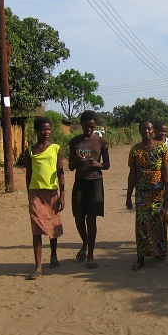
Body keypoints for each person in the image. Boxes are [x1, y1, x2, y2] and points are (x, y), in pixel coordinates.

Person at [126, 120, 168, 270]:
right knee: (141, 224)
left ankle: (160, 251)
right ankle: (140, 257)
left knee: (159, 221)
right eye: (144, 129)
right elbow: (132, 174)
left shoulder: (162, 148)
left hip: (159, 193)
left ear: (153, 131)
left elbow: (165, 172)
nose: (146, 131)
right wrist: (128, 196)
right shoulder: (135, 150)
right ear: (139, 130)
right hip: (142, 193)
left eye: (149, 129)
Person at [68, 110, 110, 269]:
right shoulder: (74, 142)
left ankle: (90, 255)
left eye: (92, 127)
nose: (89, 129)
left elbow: (107, 164)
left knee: (91, 219)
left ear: (96, 126)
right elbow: (70, 167)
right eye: (86, 126)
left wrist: (97, 164)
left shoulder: (101, 142)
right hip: (80, 182)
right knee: (78, 218)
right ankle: (85, 243)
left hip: (95, 183)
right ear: (81, 124)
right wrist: (77, 159)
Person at [25, 116, 65, 280]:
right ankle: (38, 266)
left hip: (52, 193)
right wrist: (29, 193)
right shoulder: (30, 150)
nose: (46, 132)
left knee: (52, 226)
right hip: (36, 193)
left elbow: (61, 172)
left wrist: (62, 194)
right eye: (43, 129)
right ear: (36, 131)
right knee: (36, 228)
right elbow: (28, 173)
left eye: (48, 129)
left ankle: (53, 255)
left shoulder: (56, 148)